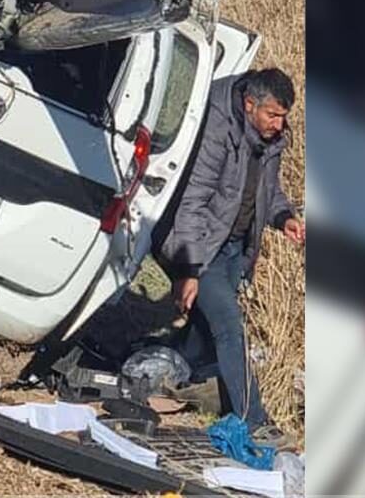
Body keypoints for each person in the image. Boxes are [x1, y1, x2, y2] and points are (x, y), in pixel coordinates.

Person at [155, 68, 305, 445]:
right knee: (229, 325)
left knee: (203, 332)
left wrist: (283, 217)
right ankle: (255, 422)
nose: (279, 123)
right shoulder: (216, 127)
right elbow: (193, 201)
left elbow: (265, 191)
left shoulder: (272, 139)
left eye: (284, 116)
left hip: (239, 249)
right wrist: (188, 268)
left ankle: (166, 375)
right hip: (204, 248)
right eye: (272, 115)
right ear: (248, 104)